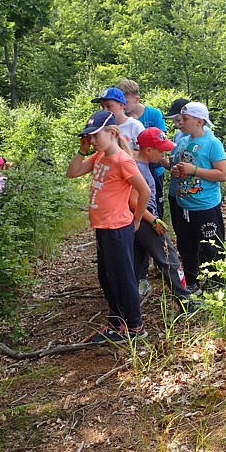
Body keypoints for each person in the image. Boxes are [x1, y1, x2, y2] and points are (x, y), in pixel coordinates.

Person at [66, 110, 151, 344]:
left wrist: (137, 220)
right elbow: (72, 172)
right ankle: (117, 322)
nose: (92, 141)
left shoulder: (122, 160)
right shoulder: (99, 157)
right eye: (89, 137)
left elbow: (144, 191)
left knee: (122, 278)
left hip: (117, 228)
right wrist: (83, 150)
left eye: (95, 136)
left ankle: (135, 326)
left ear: (112, 133)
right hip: (102, 227)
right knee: (106, 277)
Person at [131, 127, 197, 309]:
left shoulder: (142, 166)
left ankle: (128, 304)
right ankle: (187, 302)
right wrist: (153, 220)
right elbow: (133, 200)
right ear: (149, 150)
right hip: (146, 221)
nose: (163, 155)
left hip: (142, 221)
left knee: (135, 262)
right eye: (160, 150)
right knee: (170, 259)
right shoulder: (138, 169)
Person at [169, 102, 226, 292]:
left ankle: (217, 283)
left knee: (211, 247)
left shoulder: (212, 143)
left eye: (186, 119)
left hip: (205, 207)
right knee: (186, 247)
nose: (181, 123)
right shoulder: (183, 142)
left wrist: (194, 170)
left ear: (199, 121)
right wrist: (176, 171)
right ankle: (191, 283)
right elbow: (179, 168)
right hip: (183, 205)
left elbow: (222, 174)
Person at [117, 79, 168, 218]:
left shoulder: (154, 114)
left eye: (126, 102)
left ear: (137, 99)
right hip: (131, 171)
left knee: (155, 204)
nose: (123, 106)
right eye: (120, 102)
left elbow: (161, 143)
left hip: (154, 169)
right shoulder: (121, 120)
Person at [91, 87, 144, 153]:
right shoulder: (103, 127)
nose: (105, 110)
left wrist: (118, 153)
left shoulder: (134, 125)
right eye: (103, 107)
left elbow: (145, 155)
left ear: (121, 106)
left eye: (108, 106)